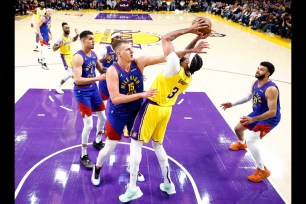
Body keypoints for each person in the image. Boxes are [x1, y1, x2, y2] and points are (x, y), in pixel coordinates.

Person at [116, 23, 210, 202]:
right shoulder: (187, 76)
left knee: (135, 144)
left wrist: (190, 30)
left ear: (185, 62)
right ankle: (168, 184)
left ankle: (133, 187)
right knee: (158, 145)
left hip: (152, 108)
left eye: (187, 57)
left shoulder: (174, 67)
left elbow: (166, 37)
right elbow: (186, 53)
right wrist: (197, 39)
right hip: (166, 111)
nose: (185, 55)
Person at [220, 61, 281, 183]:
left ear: (268, 74)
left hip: (269, 119)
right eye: (258, 68)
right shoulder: (255, 83)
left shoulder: (271, 89)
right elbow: (249, 96)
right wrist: (233, 103)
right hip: (257, 115)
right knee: (238, 129)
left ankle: (262, 170)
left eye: (262, 69)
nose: (258, 71)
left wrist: (253, 119)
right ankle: (242, 144)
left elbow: (273, 111)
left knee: (252, 141)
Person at [72, 30, 107, 169]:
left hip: (93, 90)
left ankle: (97, 141)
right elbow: (78, 80)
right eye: (90, 39)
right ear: (83, 41)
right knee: (88, 124)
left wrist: (118, 70)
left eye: (93, 39)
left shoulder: (93, 54)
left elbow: (102, 69)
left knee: (103, 117)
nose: (93, 41)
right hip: (82, 92)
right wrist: (98, 78)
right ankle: (83, 154)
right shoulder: (78, 57)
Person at [92, 32, 122, 151]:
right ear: (112, 40)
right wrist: (105, 58)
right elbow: (96, 62)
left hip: (117, 82)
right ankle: (99, 135)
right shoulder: (106, 49)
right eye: (117, 38)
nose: (119, 39)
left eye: (120, 37)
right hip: (105, 82)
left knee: (118, 105)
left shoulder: (121, 50)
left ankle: (116, 126)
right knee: (102, 109)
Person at [52, 22, 80, 94]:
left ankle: (58, 86)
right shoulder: (60, 38)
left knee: (70, 74)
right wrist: (59, 45)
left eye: (68, 28)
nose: (68, 29)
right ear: (63, 29)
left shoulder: (69, 36)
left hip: (71, 55)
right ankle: (76, 87)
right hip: (65, 57)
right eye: (66, 28)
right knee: (71, 74)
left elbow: (73, 39)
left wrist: (77, 34)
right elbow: (53, 48)